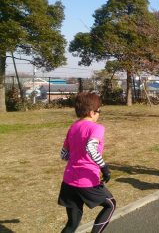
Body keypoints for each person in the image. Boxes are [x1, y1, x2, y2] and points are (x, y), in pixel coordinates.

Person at [58, 92, 116, 233]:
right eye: (99, 111)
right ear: (91, 112)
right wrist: (104, 167)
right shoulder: (97, 128)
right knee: (111, 205)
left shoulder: (73, 127)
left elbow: (63, 154)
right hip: (87, 181)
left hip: (68, 181)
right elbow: (90, 147)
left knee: (72, 224)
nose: (99, 114)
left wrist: (76, 158)